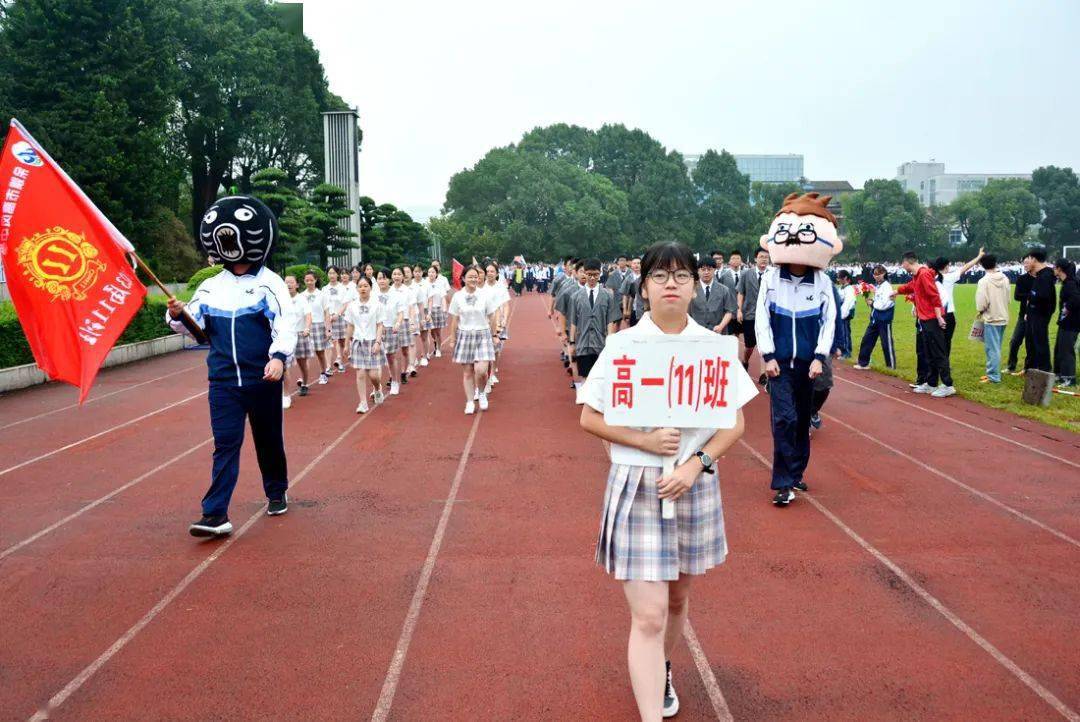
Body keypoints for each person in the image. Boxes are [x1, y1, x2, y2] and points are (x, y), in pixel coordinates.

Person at [579, 240, 755, 722]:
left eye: (681, 275)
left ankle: (663, 666)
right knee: (649, 613)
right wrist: (645, 442)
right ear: (643, 288)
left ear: (697, 286)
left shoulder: (713, 349)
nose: (671, 283)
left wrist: (694, 464)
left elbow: (733, 424)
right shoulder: (623, 347)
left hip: (692, 485)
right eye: (660, 275)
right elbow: (590, 418)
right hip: (638, 484)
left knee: (678, 598)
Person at [166, 196, 296, 537]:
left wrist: (279, 358)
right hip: (222, 381)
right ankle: (215, 514)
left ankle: (276, 489)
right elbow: (192, 326)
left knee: (268, 440)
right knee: (225, 443)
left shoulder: (271, 282)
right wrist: (177, 314)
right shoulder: (211, 286)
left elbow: (285, 324)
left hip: (262, 378)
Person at [756, 192, 839, 506]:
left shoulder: (821, 281)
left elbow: (829, 321)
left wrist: (820, 356)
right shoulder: (771, 279)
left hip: (809, 365)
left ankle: (796, 472)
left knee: (802, 420)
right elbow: (762, 317)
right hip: (779, 365)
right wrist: (767, 355)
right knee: (784, 420)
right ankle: (783, 483)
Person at [894, 251, 953, 398]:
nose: (902, 266)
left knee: (938, 352)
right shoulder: (917, 276)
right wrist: (896, 291)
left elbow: (935, 296)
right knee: (929, 353)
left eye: (903, 263)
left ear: (909, 262)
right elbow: (910, 287)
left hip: (932, 319)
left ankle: (947, 385)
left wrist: (939, 317)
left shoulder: (924, 274)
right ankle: (931, 383)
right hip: (924, 320)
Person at [448, 265, 498, 414]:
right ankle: (470, 401)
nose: (473, 279)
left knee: (481, 370)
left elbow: (492, 316)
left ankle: (481, 393)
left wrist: (494, 335)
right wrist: (452, 338)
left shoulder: (484, 295)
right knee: (468, 372)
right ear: (463, 278)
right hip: (465, 335)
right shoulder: (458, 296)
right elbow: (455, 319)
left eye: (475, 277)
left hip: (482, 334)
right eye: (470, 276)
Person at [569, 258, 618, 392]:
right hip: (583, 342)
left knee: (600, 376)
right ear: (584, 273)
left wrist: (610, 340)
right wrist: (572, 343)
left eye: (595, 275)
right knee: (584, 375)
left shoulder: (608, 296)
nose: (592, 278)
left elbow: (610, 321)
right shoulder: (576, 297)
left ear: (600, 273)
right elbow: (573, 321)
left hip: (600, 342)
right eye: (589, 274)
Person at [974, 255, 1011, 384]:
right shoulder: (1005, 278)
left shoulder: (984, 281)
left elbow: (981, 302)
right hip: (1003, 315)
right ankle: (993, 371)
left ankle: (993, 376)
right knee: (996, 347)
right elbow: (1008, 298)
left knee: (992, 348)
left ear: (982, 265)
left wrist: (980, 310)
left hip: (992, 317)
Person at [854, 265, 896, 370]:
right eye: (875, 274)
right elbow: (878, 300)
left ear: (884, 274)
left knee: (886, 342)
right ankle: (863, 362)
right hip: (875, 317)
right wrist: (871, 302)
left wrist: (874, 304)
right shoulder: (878, 286)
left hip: (884, 318)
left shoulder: (887, 286)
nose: (876, 276)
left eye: (879, 274)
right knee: (867, 339)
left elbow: (886, 304)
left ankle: (891, 365)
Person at [736, 248, 769, 380]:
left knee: (765, 346)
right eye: (761, 256)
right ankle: (745, 361)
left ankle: (763, 374)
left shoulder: (772, 274)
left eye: (766, 257)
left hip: (767, 316)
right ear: (755, 259)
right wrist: (739, 309)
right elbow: (740, 292)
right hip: (750, 314)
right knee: (750, 346)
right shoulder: (746, 274)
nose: (764, 259)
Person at [1023, 248, 1056, 373]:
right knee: (1034, 341)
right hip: (1034, 313)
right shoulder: (1040, 274)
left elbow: (1043, 296)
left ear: (1034, 259)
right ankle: (1036, 367)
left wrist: (1031, 296)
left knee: (1041, 342)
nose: (1027, 261)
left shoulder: (1046, 275)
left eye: (1029, 258)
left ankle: (1045, 370)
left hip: (1040, 314)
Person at [375, 268, 407, 396]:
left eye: (384, 278)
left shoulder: (396, 294)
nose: (382, 281)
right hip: (377, 329)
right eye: (379, 278)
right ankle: (376, 388)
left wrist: (398, 323)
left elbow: (400, 313)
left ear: (389, 279)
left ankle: (394, 381)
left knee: (391, 357)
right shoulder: (373, 294)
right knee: (375, 358)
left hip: (390, 328)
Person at [282, 274, 311, 407]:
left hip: (300, 334)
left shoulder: (302, 299)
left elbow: (308, 315)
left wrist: (307, 328)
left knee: (302, 362)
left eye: (291, 282)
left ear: (297, 285)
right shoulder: (281, 299)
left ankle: (305, 383)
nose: (288, 285)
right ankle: (286, 394)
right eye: (286, 282)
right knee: (284, 365)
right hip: (286, 335)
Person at [299, 270, 332, 385]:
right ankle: (304, 377)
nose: (309, 282)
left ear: (315, 280)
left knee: (320, 353)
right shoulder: (302, 296)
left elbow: (327, 313)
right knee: (304, 354)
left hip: (319, 325)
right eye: (307, 280)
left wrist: (328, 330)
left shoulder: (322, 294)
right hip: (306, 327)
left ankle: (323, 373)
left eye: (311, 280)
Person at [689, 257, 735, 335]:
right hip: (696, 332)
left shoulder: (724, 290)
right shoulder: (690, 289)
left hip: (717, 332)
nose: (706, 272)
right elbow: (686, 313)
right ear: (698, 271)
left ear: (714, 270)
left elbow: (729, 311)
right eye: (703, 269)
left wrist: (721, 326)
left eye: (709, 269)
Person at [1053, 259, 1079, 387]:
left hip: (1071, 323)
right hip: (1065, 322)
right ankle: (1059, 374)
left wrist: (1066, 307)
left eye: (1054, 267)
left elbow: (1076, 299)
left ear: (1059, 269)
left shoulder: (1070, 283)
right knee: (1059, 349)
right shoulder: (1067, 282)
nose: (1053, 270)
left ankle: (1069, 378)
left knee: (1066, 350)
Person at [1007, 256, 1034, 375]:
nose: (1025, 265)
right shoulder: (1022, 279)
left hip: (1035, 316)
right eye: (1024, 263)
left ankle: (1027, 368)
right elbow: (1017, 296)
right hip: (1022, 315)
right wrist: (1032, 295)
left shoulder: (1041, 279)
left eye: (1027, 263)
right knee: (1014, 341)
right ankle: (1011, 365)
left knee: (1031, 344)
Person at [835, 270, 856, 358]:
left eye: (840, 278)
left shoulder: (849, 289)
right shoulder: (841, 288)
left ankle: (847, 351)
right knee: (840, 333)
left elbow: (848, 303)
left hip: (845, 314)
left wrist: (842, 315)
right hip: (840, 313)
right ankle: (841, 349)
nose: (838, 280)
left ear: (845, 278)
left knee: (845, 333)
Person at [605, 255, 628, 328]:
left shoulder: (631, 273)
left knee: (628, 322)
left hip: (629, 301)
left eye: (624, 260)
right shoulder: (613, 274)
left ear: (626, 262)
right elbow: (609, 287)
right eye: (620, 260)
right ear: (617, 262)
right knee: (616, 322)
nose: (622, 262)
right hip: (616, 301)